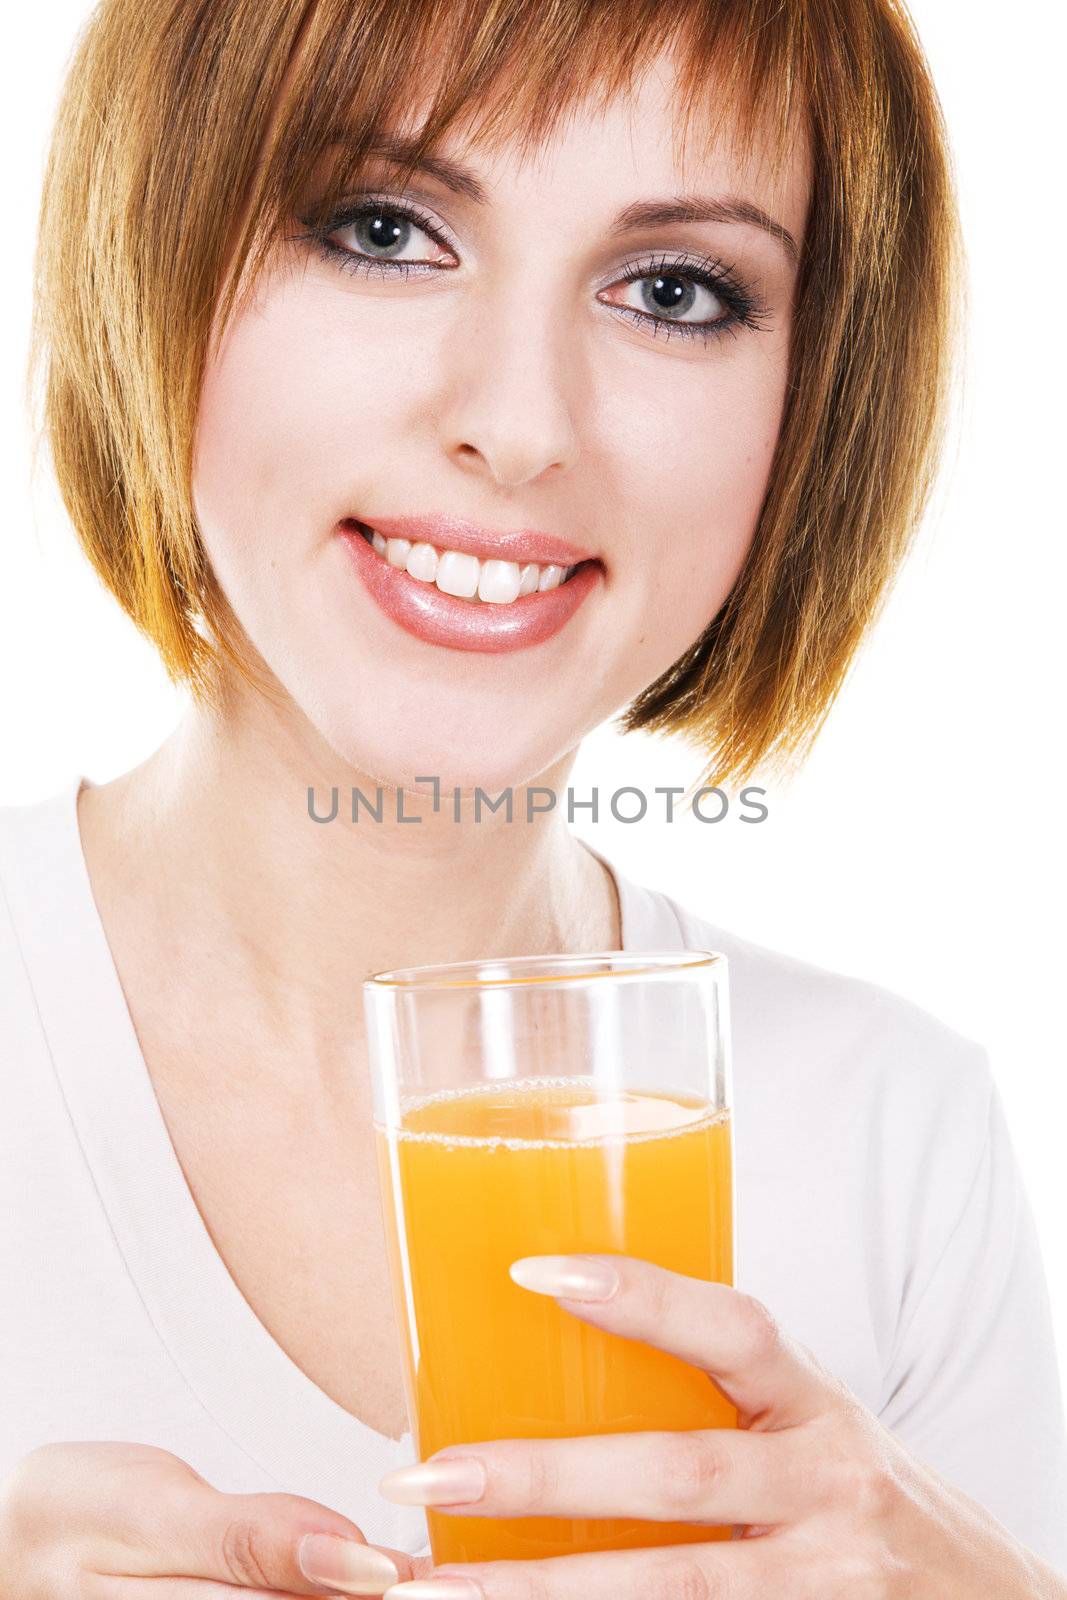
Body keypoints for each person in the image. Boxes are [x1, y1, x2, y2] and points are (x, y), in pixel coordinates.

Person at [2, 0, 1065, 1595]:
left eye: (673, 291)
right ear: (152, 245)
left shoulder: (893, 1134)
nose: (520, 425)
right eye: (383, 228)